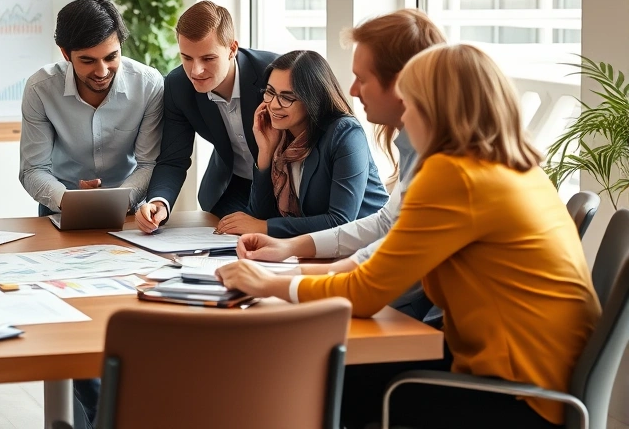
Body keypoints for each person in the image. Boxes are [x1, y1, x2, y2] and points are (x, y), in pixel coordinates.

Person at [217, 44, 601, 429]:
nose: (403, 120)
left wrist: (269, 286)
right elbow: (369, 266)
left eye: (410, 104)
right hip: (535, 382)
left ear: (436, 109)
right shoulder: (510, 167)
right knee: (328, 378)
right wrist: (283, 276)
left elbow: (366, 292)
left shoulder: (455, 176)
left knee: (314, 384)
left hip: (516, 397)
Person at [229, 9, 445, 319]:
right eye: (271, 94)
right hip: (372, 286)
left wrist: (274, 281)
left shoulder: (443, 167)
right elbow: (385, 225)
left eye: (362, 78)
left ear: (403, 84)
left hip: (412, 314)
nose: (353, 90)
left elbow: (364, 268)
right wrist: (288, 249)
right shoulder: (416, 148)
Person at [135, 1, 277, 233]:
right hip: (232, 192)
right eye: (187, 58)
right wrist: (159, 202)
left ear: (232, 49)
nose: (195, 71)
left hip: (286, 189)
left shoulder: (274, 73)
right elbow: (174, 158)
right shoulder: (178, 86)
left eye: (208, 59)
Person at [214, 50, 387, 237]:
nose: (273, 105)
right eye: (270, 92)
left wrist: (264, 227)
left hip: (372, 247)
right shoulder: (281, 137)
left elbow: (340, 221)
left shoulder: (345, 133)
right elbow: (260, 214)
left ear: (312, 99)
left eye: (287, 97)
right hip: (320, 249)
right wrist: (265, 152)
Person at [20, 0, 163, 215]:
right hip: (61, 206)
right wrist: (69, 199)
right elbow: (33, 169)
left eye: (111, 57)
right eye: (88, 61)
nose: (102, 71)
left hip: (128, 209)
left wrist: (116, 201)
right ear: (65, 53)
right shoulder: (40, 89)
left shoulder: (148, 85)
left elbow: (148, 163)